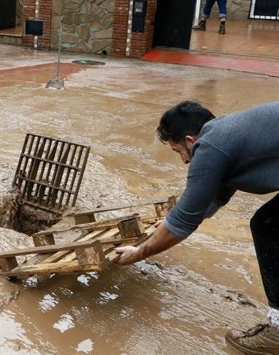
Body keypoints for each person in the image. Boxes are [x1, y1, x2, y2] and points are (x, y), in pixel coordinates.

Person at [115, 101, 279, 354]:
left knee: (269, 226)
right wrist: (164, 225)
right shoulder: (227, 133)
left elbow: (185, 221)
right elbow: (210, 200)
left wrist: (140, 252)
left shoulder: (210, 147)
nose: (183, 161)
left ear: (190, 140)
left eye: (178, 151)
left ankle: (277, 331)